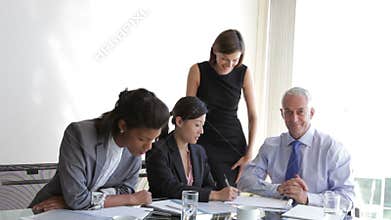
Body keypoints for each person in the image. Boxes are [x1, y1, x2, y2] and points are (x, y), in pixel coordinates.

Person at [29, 88, 170, 212]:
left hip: (88, 213)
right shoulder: (79, 135)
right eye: (142, 139)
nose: (148, 147)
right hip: (48, 211)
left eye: (153, 140)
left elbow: (126, 190)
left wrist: (76, 201)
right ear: (123, 126)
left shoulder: (134, 149)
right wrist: (131, 199)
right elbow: (77, 199)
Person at [238, 87, 355, 210]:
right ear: (282, 114)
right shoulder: (270, 146)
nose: (294, 119)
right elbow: (245, 181)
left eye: (300, 112)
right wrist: (278, 189)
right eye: (288, 112)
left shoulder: (332, 149)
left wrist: (307, 198)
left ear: (311, 113)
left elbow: (347, 198)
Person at [186, 29, 257, 188]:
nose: (230, 64)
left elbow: (253, 116)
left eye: (235, 59)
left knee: (229, 194)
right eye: (225, 59)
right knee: (203, 192)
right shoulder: (197, 71)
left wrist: (249, 153)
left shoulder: (243, 73)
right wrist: (187, 146)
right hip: (203, 139)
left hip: (232, 143)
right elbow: (188, 112)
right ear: (215, 51)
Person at [146, 96, 239, 202]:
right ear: (179, 121)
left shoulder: (199, 152)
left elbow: (209, 185)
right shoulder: (157, 151)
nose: (201, 131)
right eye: (197, 125)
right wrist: (215, 195)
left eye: (202, 125)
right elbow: (170, 188)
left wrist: (213, 193)